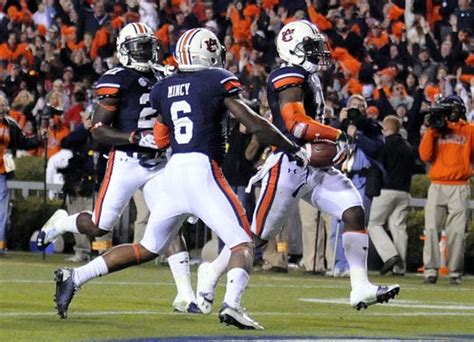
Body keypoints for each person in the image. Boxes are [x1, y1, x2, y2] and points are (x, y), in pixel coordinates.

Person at [52, 28, 308, 329]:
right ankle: (232, 305)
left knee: (147, 248)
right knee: (242, 243)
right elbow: (254, 124)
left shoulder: (164, 87)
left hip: (173, 173)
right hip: (202, 169)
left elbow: (160, 138)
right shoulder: (217, 80)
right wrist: (293, 148)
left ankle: (76, 277)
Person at [196, 21, 400, 313]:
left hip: (314, 167)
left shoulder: (307, 75)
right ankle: (212, 273)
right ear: (292, 50)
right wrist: (337, 136)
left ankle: (360, 287)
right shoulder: (288, 75)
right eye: (311, 48)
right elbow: (297, 124)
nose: (318, 53)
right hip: (288, 165)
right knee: (254, 238)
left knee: (353, 209)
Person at [36, 22, 198, 313]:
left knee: (170, 222)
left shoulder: (165, 75)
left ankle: (186, 296)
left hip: (158, 164)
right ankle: (62, 222)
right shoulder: (117, 79)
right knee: (99, 226)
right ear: (124, 50)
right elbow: (98, 130)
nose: (146, 52)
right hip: (126, 161)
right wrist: (134, 136)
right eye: (139, 47)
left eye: (149, 45)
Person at [418, 95, 474, 285]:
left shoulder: (469, 130)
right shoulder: (436, 130)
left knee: (457, 232)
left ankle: (455, 272)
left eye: (452, 109)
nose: (449, 113)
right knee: (431, 229)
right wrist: (431, 131)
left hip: (460, 185)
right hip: (437, 185)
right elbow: (425, 155)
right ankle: (431, 270)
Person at [367, 116, 416, 276]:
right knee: (398, 227)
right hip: (404, 192)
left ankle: (390, 255)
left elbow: (376, 162)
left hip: (386, 191)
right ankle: (400, 268)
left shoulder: (385, 145)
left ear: (387, 129)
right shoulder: (407, 146)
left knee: (374, 224)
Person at [0, 94, 39, 255]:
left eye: (2, 105)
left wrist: (39, 138)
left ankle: (0, 246)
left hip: (3, 171)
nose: (1, 108)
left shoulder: (11, 125)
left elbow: (24, 143)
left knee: (2, 211)